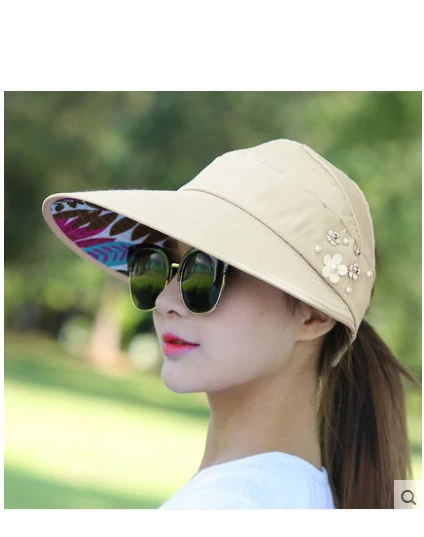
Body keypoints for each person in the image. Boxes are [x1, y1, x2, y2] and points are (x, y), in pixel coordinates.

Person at [42, 138, 420, 509]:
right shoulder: (320, 494)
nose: (165, 300)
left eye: (204, 270)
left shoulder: (227, 505)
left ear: (314, 314)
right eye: (155, 265)